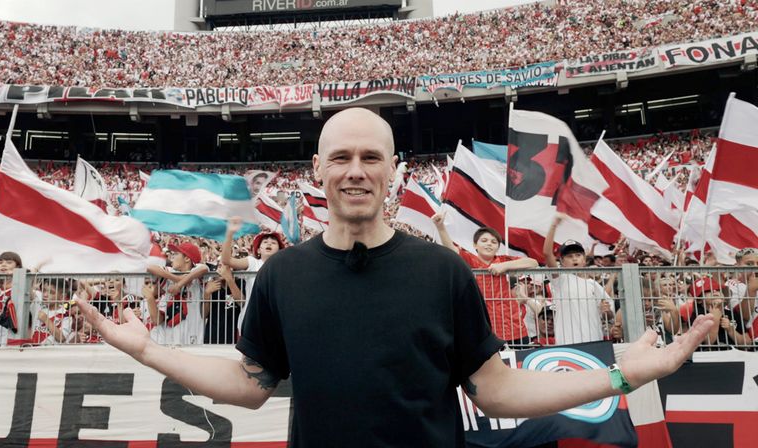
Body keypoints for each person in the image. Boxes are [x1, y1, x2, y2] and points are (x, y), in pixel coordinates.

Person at [78, 107, 715, 447]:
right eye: (341, 157)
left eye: (371, 157)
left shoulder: (442, 271)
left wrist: (624, 374)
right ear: (318, 171)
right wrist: (148, 350)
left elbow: (496, 392)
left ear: (394, 172)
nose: (356, 170)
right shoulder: (282, 274)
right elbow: (250, 385)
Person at [432, 215, 538, 345]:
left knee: (518, 361)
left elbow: (533, 262)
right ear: (475, 245)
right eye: (484, 240)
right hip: (484, 328)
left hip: (513, 327)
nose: (489, 244)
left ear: (498, 247)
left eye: (494, 242)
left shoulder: (503, 260)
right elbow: (451, 249)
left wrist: (503, 266)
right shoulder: (470, 260)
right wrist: (440, 227)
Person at [543, 216, 615, 344]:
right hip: (568, 343)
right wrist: (553, 225)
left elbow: (609, 315)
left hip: (594, 341)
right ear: (562, 262)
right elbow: (547, 254)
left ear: (584, 259)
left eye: (578, 255)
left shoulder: (593, 285)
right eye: (569, 256)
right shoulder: (560, 279)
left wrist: (606, 311)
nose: (574, 259)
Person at [220, 220, 284, 333]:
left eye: (274, 243)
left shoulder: (284, 268)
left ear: (279, 250)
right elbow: (226, 260)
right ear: (258, 250)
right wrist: (229, 234)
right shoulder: (252, 262)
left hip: (274, 324)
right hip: (251, 323)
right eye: (265, 242)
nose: (269, 243)